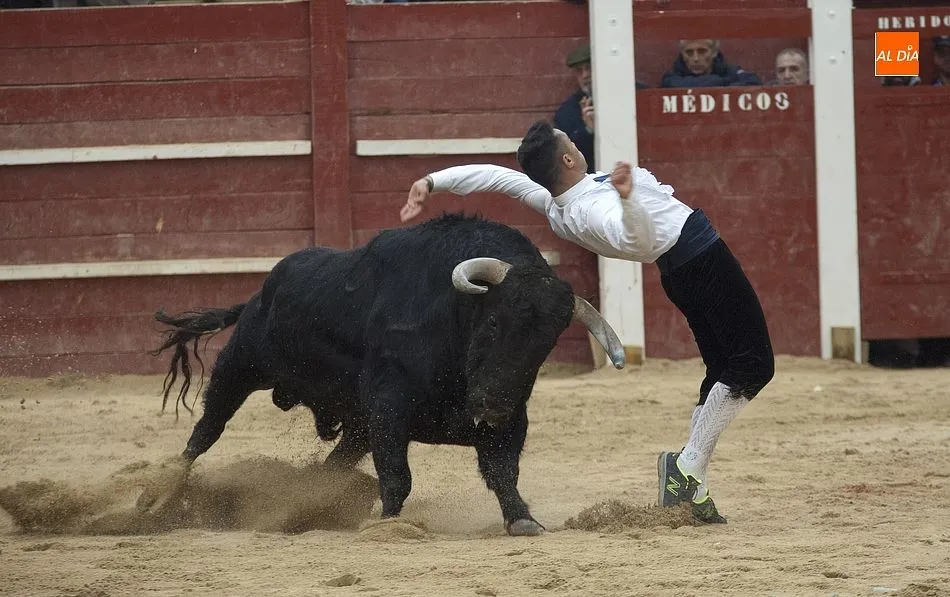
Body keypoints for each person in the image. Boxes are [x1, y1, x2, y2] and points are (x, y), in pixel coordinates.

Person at [399, 120, 775, 524]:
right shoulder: (591, 209)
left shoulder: (558, 201)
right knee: (753, 366)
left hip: (685, 270)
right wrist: (629, 199)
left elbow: (497, 177)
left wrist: (432, 181)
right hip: (702, 263)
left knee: (722, 369)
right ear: (567, 158)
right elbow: (639, 239)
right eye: (571, 141)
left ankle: (692, 480)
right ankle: (687, 467)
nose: (577, 143)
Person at [554, 42, 648, 174]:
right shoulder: (567, 112)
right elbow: (569, 160)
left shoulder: (636, 94)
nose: (585, 75)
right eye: (579, 71)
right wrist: (588, 130)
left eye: (589, 68)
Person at [661, 39, 761, 88]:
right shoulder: (671, 79)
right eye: (689, 52)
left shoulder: (730, 71)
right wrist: (722, 82)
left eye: (702, 51)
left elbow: (753, 82)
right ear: (683, 55)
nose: (696, 58)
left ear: (714, 52)